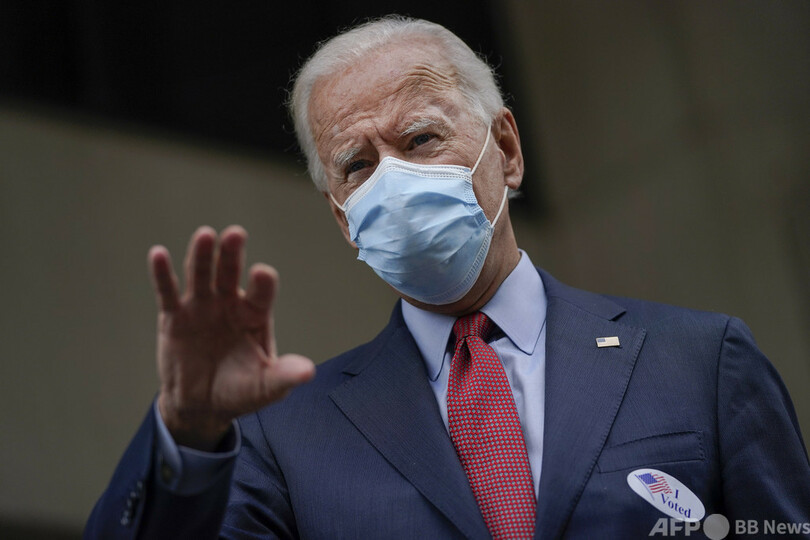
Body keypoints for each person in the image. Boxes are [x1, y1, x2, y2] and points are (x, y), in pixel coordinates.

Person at [85, 16, 810, 539]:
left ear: (507, 150)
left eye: (421, 138)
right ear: (344, 220)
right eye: (358, 165)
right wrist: (189, 431)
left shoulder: (700, 361)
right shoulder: (281, 437)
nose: (394, 180)